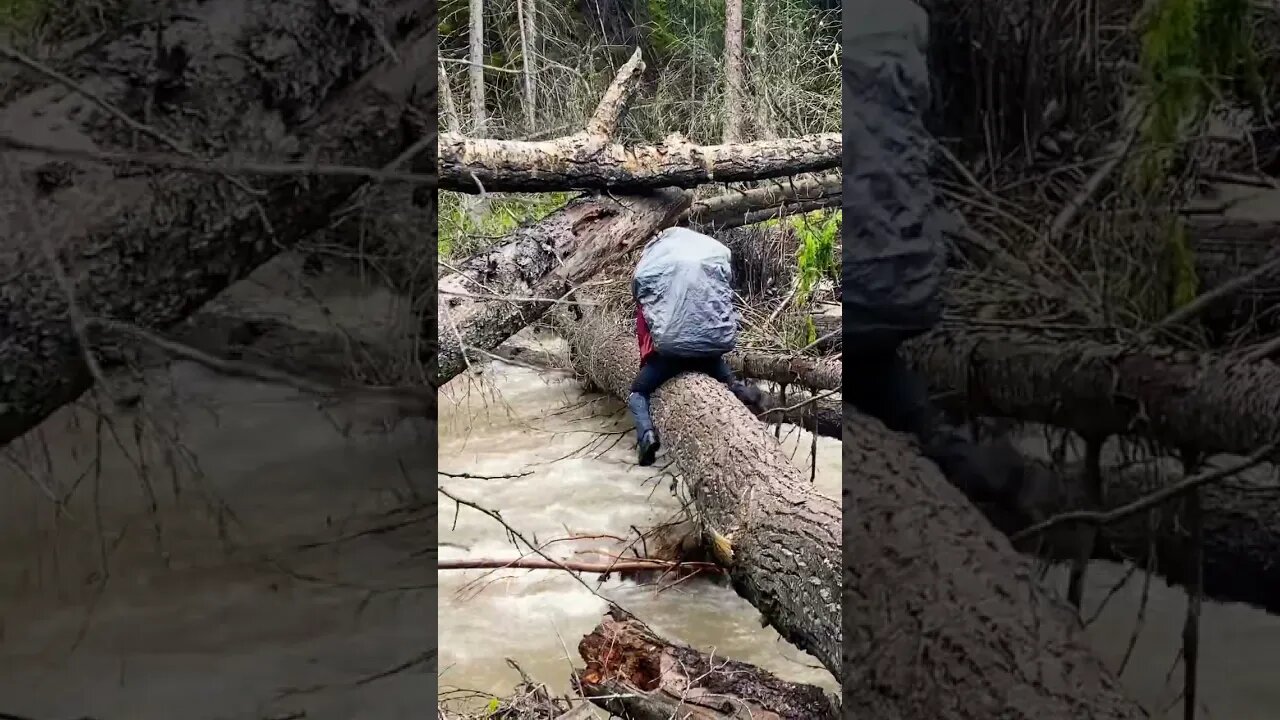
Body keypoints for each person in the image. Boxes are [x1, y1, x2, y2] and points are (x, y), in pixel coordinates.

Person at [844, 0, 1031, 506]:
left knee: (854, 340)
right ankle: (949, 451)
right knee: (872, 357)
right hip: (912, 271)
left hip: (857, 284)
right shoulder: (907, 22)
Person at [626, 229, 762, 466]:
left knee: (637, 393)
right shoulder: (705, 290)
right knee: (726, 379)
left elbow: (646, 337)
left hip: (669, 357)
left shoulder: (655, 296)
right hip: (709, 355)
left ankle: (646, 436)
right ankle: (741, 390)